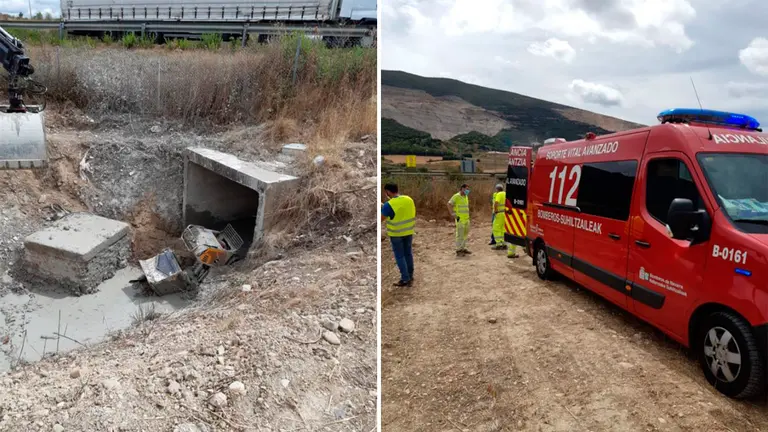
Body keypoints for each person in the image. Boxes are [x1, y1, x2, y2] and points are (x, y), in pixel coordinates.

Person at [381, 183, 416, 287]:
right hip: (409, 232)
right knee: (408, 253)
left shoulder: (389, 205)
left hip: (396, 234)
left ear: (387, 191)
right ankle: (410, 275)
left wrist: (382, 208)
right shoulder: (408, 199)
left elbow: (381, 218)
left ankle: (405, 279)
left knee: (400, 256)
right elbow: (400, 210)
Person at [447, 184, 471, 256]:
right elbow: (449, 204)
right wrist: (452, 213)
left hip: (466, 219)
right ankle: (459, 250)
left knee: (465, 234)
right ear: (462, 188)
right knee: (460, 235)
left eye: (468, 189)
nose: (467, 191)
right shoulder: (456, 196)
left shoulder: (466, 196)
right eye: (466, 189)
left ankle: (463, 248)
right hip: (460, 219)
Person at [491, 184, 506, 250]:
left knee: (496, 228)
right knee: (502, 229)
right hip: (504, 213)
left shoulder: (499, 194)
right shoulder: (505, 193)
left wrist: (495, 211)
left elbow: (496, 203)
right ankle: (503, 243)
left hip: (499, 213)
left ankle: (498, 244)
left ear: (497, 189)